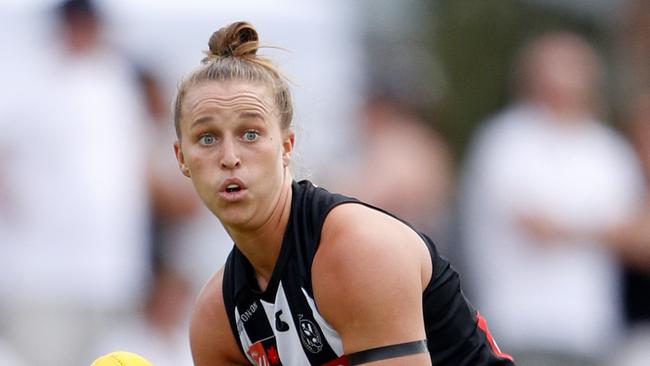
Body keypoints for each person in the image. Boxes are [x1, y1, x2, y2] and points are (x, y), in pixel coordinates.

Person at [172, 21, 514, 366]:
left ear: (286, 146)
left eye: (250, 134)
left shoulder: (357, 249)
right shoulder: (217, 317)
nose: (229, 158)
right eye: (207, 138)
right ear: (182, 158)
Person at [459, 32, 644, 366]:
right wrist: (603, 230)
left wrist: (568, 227)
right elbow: (535, 226)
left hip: (591, 331)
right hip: (520, 327)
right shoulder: (506, 140)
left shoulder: (608, 149)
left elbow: (638, 237)